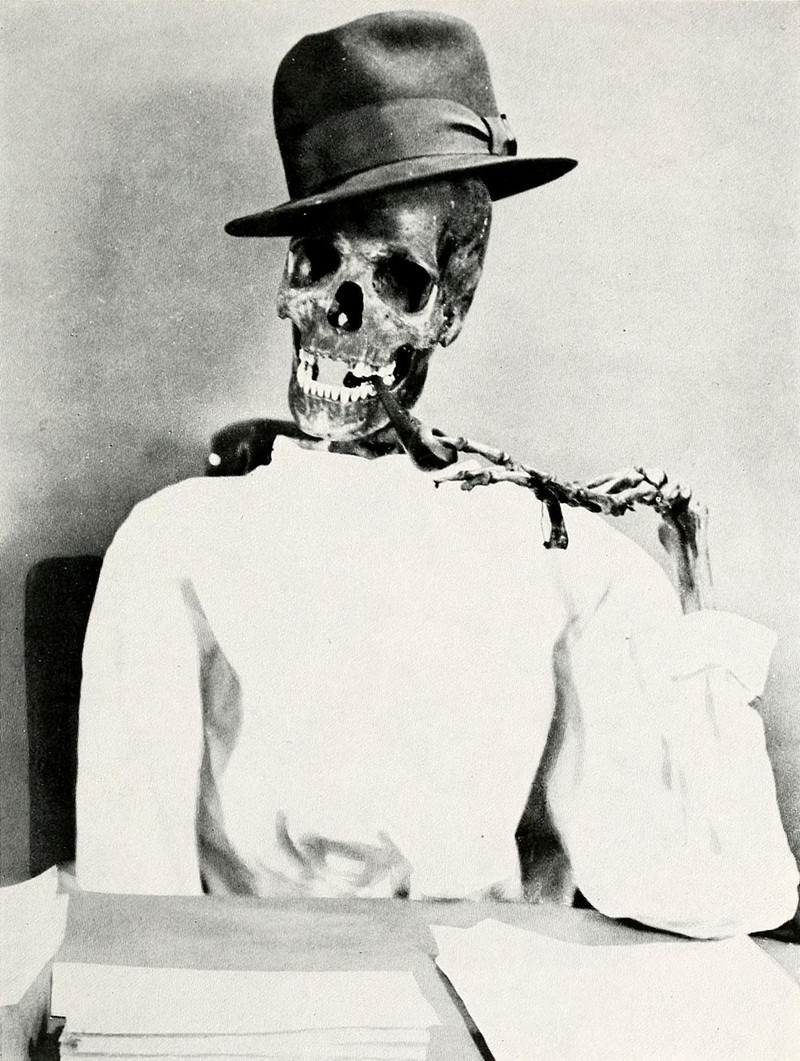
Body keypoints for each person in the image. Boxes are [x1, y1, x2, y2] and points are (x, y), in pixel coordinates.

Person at [75, 11, 798, 938]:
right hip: (252, 997)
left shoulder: (567, 560)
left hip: (487, 997)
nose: (342, 313)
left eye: (397, 281)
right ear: (290, 281)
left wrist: (694, 607)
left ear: (450, 306)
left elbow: (722, 890)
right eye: (318, 263)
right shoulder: (171, 547)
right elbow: (134, 913)